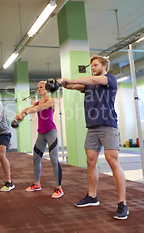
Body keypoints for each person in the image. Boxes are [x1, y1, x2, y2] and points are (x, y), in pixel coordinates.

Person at [58, 55, 128, 220]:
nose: (93, 68)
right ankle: (92, 196)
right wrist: (61, 83)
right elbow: (75, 86)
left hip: (108, 125)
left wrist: (70, 78)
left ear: (104, 66)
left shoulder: (109, 79)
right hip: (92, 127)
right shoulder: (89, 86)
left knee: (113, 161)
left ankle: (122, 203)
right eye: (91, 66)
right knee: (90, 161)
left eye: (95, 65)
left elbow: (90, 79)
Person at [15, 81, 63, 199]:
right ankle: (37, 184)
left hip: (51, 133)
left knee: (54, 159)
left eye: (41, 87)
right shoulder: (37, 102)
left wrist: (25, 113)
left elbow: (38, 108)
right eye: (37, 87)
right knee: (36, 158)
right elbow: (30, 107)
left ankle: (59, 188)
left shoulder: (51, 101)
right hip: (41, 134)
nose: (39, 89)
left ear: (47, 89)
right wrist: (20, 114)